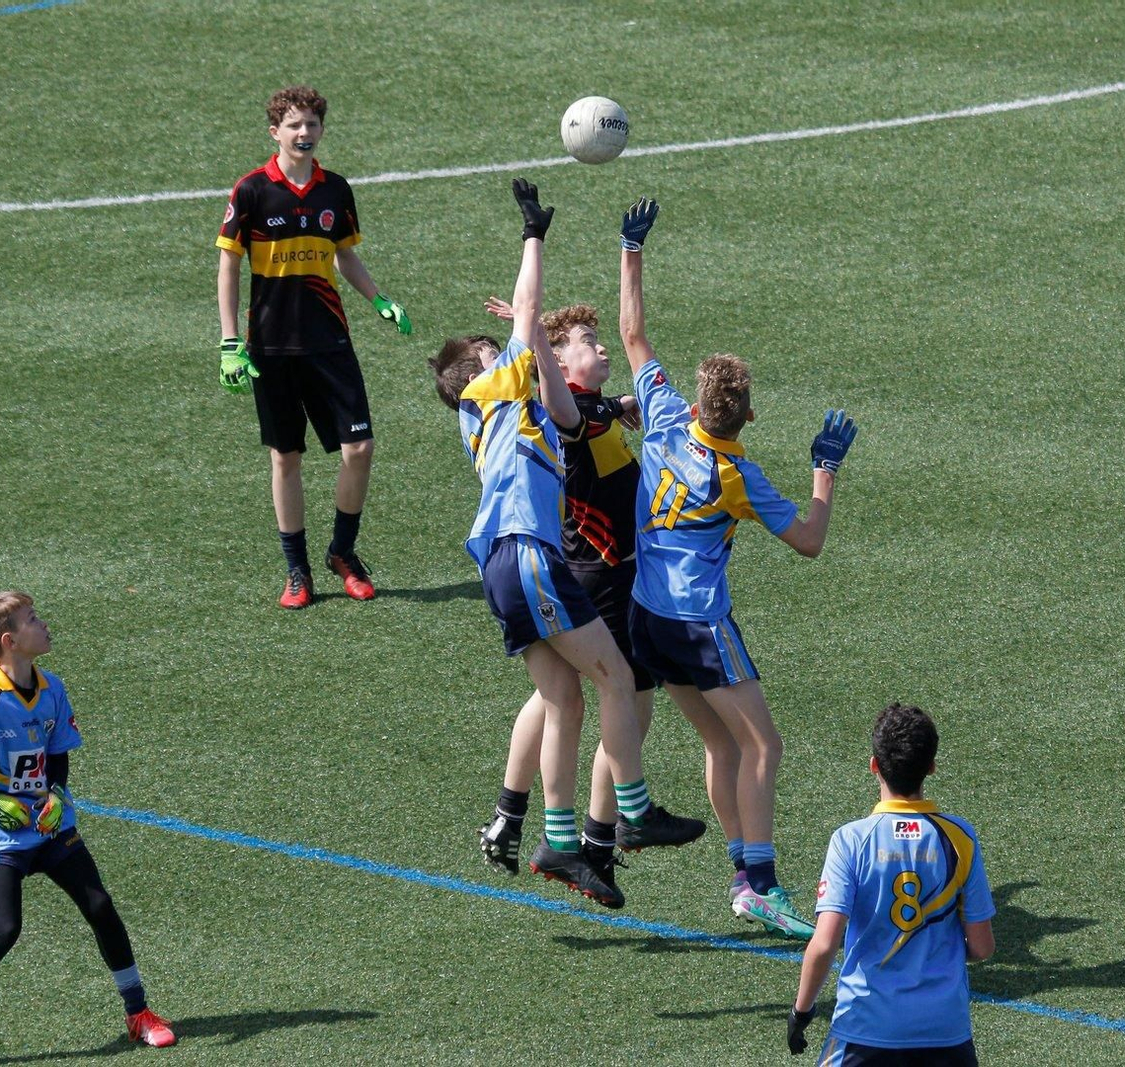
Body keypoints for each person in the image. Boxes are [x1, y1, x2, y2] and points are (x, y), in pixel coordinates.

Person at [429, 179, 703, 910]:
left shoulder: (507, 406)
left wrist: (619, 398)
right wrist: (533, 236)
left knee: (561, 700)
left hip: (506, 561)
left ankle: (552, 838)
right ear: (478, 373)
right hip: (528, 553)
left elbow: (572, 400)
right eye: (492, 351)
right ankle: (633, 810)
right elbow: (530, 319)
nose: (503, 351)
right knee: (615, 680)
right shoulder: (494, 389)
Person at [617, 195, 858, 938]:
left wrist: (632, 248)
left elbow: (632, 333)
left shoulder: (662, 417)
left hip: (646, 617)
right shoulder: (737, 476)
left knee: (721, 743)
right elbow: (809, 541)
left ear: (695, 402)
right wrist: (824, 472)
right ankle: (763, 881)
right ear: (747, 416)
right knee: (764, 744)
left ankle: (741, 874)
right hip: (698, 624)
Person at [0, 592, 173, 1067]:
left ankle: (138, 1013)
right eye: (33, 620)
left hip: (50, 824)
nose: (44, 625)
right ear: (10, 641)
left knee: (100, 906)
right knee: (3, 929)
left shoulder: (52, 687)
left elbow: (57, 751)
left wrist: (56, 794)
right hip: (1, 833)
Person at [215, 84, 411, 609]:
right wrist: (230, 342)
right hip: (271, 347)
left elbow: (345, 255)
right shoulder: (252, 190)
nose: (305, 133)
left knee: (360, 448)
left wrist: (379, 299)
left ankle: (342, 552)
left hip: (329, 340)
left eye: (312, 125)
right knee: (286, 457)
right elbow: (229, 265)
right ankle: (296, 568)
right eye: (294, 125)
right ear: (275, 132)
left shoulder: (335, 190)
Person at [787, 704, 996, 1065]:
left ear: (874, 765)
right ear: (931, 767)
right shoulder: (960, 837)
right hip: (944, 1029)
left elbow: (824, 944)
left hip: (865, 1026)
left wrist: (801, 1012)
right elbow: (982, 946)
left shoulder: (851, 840)